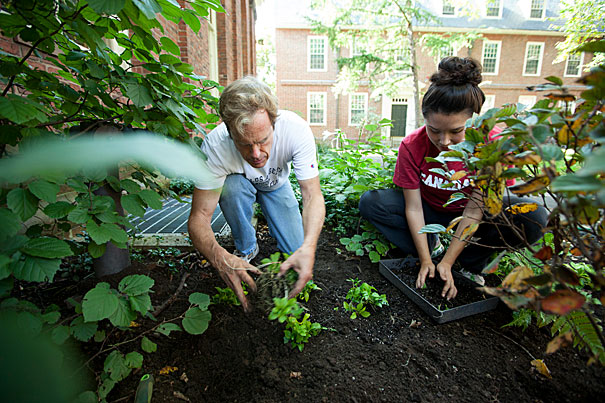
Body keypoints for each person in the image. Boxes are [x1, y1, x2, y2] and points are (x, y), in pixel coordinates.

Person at [358, 57, 547, 300]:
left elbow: (474, 211)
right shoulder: (412, 145)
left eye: (456, 131)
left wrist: (447, 263)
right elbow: (414, 208)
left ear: (474, 120)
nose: (444, 141)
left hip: (473, 214)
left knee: (534, 217)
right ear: (425, 120)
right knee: (372, 203)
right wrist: (426, 260)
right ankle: (432, 245)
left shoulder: (492, 145)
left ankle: (469, 263)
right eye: (434, 130)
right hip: (430, 210)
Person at [188, 76, 325, 311]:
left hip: (276, 185)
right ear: (229, 132)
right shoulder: (215, 146)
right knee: (232, 187)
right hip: (238, 186)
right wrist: (219, 256)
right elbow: (198, 217)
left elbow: (312, 196)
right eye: (244, 143)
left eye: (263, 141)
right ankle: (246, 248)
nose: (256, 154)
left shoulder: (296, 130)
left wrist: (309, 247)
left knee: (296, 250)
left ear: (274, 122)